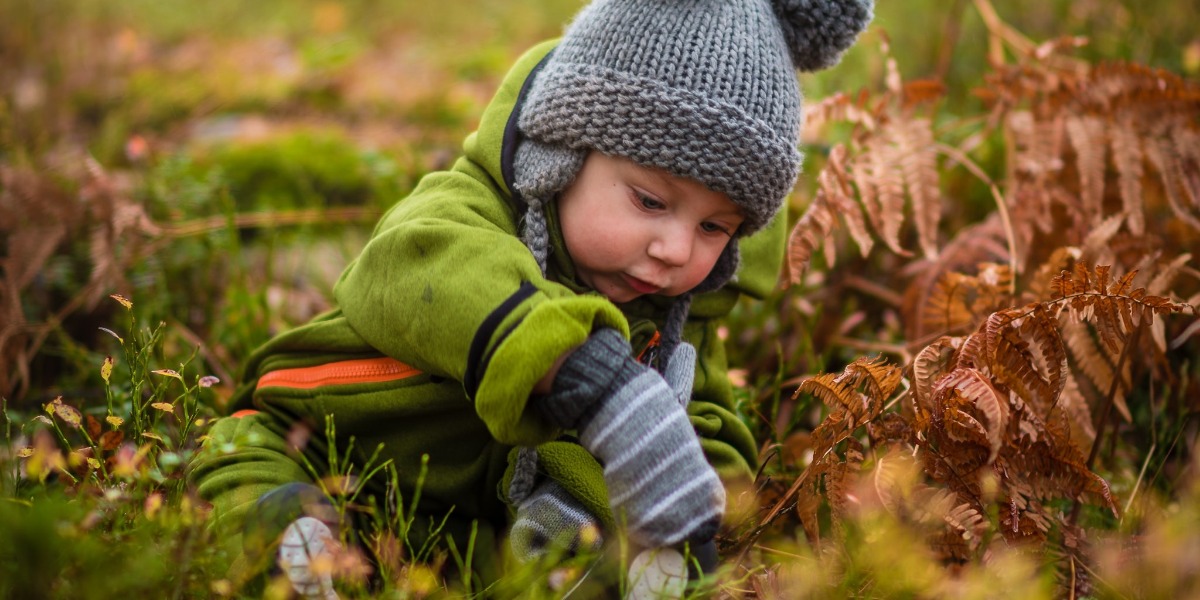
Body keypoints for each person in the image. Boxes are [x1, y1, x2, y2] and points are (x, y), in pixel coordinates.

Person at [189, 0, 872, 597]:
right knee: (247, 467)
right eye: (649, 200)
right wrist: (588, 377)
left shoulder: (672, 318)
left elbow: (706, 426)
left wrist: (695, 516)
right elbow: (408, 269)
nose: (674, 249)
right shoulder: (463, 214)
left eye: (713, 227)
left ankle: (554, 561)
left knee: (586, 544)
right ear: (561, 155)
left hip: (462, 524)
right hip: (320, 438)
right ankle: (290, 543)